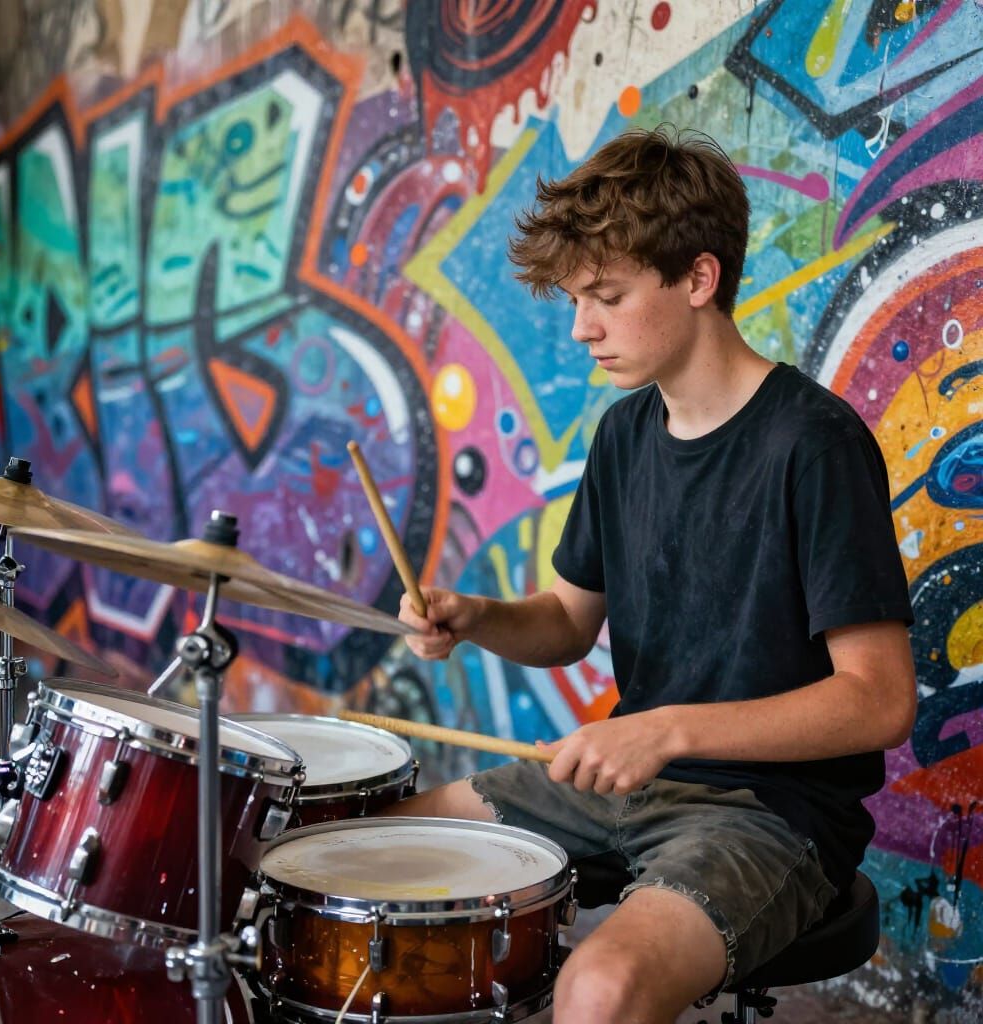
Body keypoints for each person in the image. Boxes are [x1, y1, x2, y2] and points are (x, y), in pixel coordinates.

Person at [388, 125, 917, 1024]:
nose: (581, 327)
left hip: (768, 814)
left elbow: (879, 700)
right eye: (574, 300)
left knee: (598, 988)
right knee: (383, 854)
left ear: (699, 279)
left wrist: (665, 730)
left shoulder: (813, 445)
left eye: (606, 296)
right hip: (623, 789)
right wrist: (474, 614)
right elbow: (564, 620)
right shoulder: (624, 436)